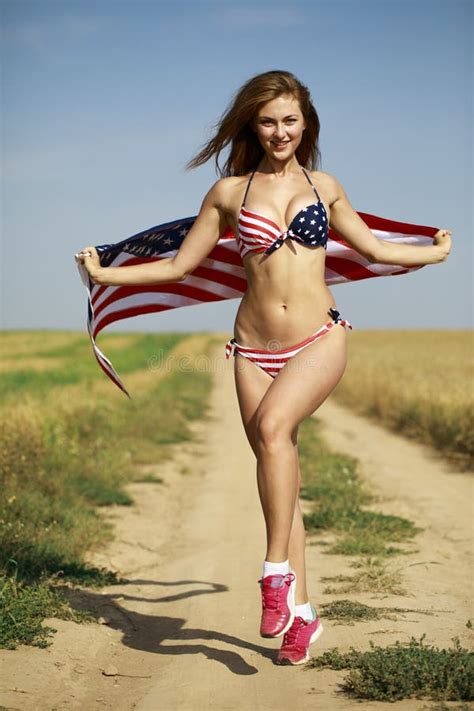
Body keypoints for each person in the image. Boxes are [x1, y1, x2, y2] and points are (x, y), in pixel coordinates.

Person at [76, 70, 452, 666]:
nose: (280, 132)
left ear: (307, 125)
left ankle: (275, 575)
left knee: (275, 433)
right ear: (253, 126)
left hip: (319, 337)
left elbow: (373, 248)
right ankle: (303, 616)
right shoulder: (229, 193)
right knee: (280, 474)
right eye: (269, 121)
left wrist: (434, 251)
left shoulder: (324, 186)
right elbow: (178, 267)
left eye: (291, 121)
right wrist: (106, 275)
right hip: (251, 349)